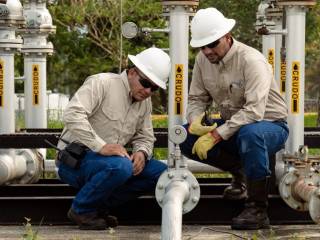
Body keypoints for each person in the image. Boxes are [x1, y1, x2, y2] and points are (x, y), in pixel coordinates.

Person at [180, 8, 289, 230]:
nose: (207, 50)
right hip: (234, 125)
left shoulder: (252, 60)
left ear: (228, 37)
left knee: (252, 133)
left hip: (269, 126)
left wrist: (216, 134)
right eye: (202, 46)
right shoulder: (203, 60)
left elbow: (254, 111)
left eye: (213, 44)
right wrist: (195, 121)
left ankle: (257, 208)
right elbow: (196, 98)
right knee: (184, 136)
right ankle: (242, 173)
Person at [56, 47, 170, 230]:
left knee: (163, 174)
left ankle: (97, 206)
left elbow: (145, 136)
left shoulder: (144, 102)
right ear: (133, 72)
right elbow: (72, 115)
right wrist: (101, 146)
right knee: (121, 166)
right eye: (145, 83)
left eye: (154, 88)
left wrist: (141, 152)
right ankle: (81, 210)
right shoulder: (101, 83)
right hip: (74, 162)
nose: (148, 91)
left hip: (111, 166)